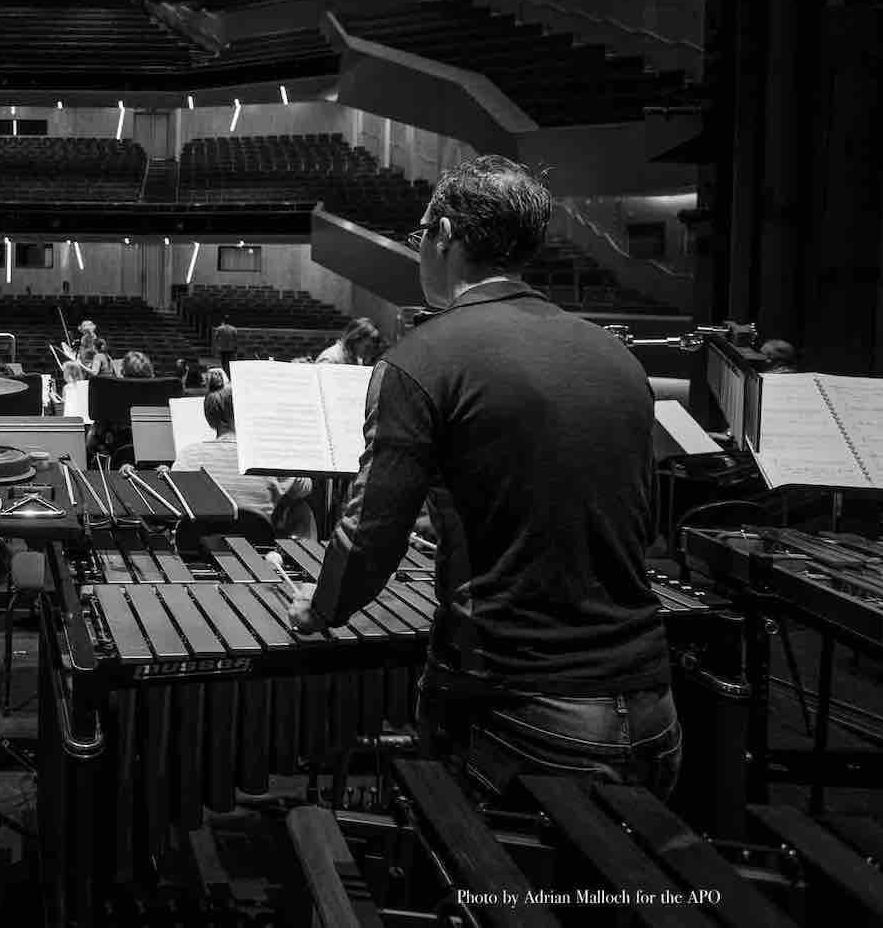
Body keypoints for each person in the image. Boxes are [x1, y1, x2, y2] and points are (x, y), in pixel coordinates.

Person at [288, 155, 679, 806]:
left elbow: (371, 533)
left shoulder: (420, 358)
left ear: (443, 230)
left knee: (484, 894)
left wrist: (323, 605)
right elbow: (635, 518)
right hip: (653, 708)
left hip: (522, 710)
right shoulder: (617, 356)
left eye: (419, 235)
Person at [172, 387, 315, 537]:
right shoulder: (268, 454)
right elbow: (304, 489)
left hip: (197, 549)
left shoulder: (187, 455)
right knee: (302, 508)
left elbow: (174, 501)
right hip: (257, 550)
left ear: (210, 418)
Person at [316, 318, 387, 367]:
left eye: (372, 348)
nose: (369, 352)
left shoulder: (357, 360)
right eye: (367, 347)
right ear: (355, 340)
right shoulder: (330, 359)